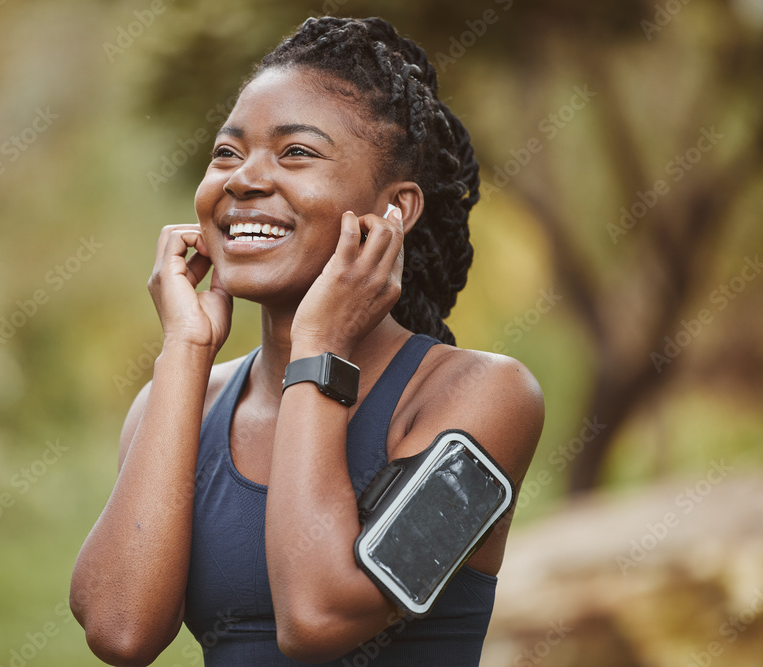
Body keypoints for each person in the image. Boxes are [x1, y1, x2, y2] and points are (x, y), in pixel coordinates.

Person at [70, 15, 544, 666]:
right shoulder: (180, 401)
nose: (243, 179)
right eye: (227, 153)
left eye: (296, 152)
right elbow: (120, 629)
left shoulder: (484, 396)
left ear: (394, 211)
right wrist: (183, 349)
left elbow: (317, 615)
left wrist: (319, 348)